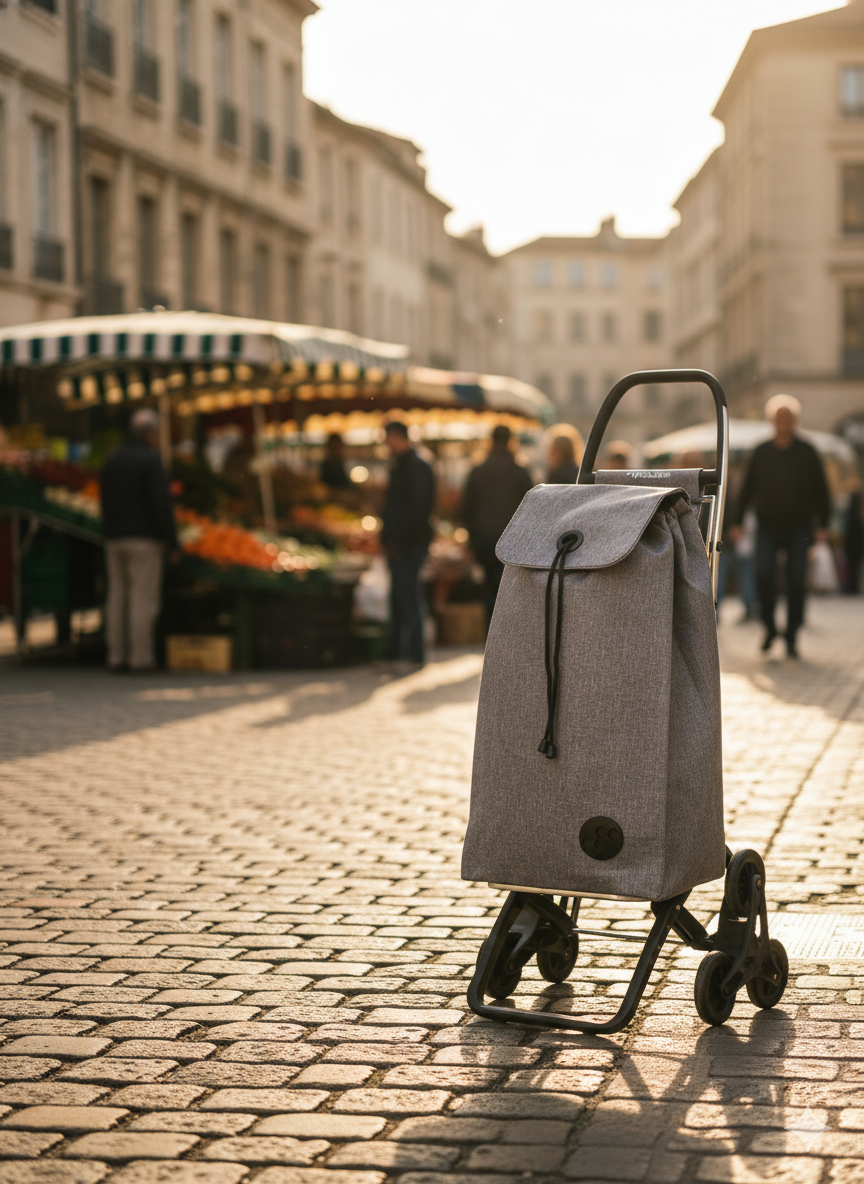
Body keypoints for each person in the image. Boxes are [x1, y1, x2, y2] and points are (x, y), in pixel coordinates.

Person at [730, 394, 831, 657]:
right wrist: (738, 522)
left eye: (787, 417)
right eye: (778, 417)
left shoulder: (807, 451)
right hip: (767, 527)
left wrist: (824, 524)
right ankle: (770, 627)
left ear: (794, 421)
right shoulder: (761, 451)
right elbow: (747, 490)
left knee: (797, 581)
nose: (783, 421)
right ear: (772, 421)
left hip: (800, 528)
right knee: (763, 574)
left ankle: (792, 635)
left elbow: (822, 490)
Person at [100, 408, 179, 672]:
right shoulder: (150, 460)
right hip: (143, 538)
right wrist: (172, 540)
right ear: (151, 434)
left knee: (117, 597)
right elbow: (161, 505)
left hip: (113, 537)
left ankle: (115, 656)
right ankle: (139, 658)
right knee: (142, 599)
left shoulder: (112, 459)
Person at [461, 424, 533, 625]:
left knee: (489, 592)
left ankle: (490, 638)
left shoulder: (477, 470)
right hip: (513, 541)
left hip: (484, 542)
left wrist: (473, 541)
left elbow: (467, 509)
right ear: (512, 441)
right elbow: (532, 508)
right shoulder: (520, 471)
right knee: (511, 593)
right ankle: (509, 638)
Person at [380, 421, 435, 669]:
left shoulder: (415, 465)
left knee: (408, 597)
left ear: (396, 436)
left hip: (409, 544)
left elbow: (417, 509)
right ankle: (398, 653)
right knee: (399, 598)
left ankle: (414, 654)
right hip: (401, 542)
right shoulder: (403, 464)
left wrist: (398, 539)